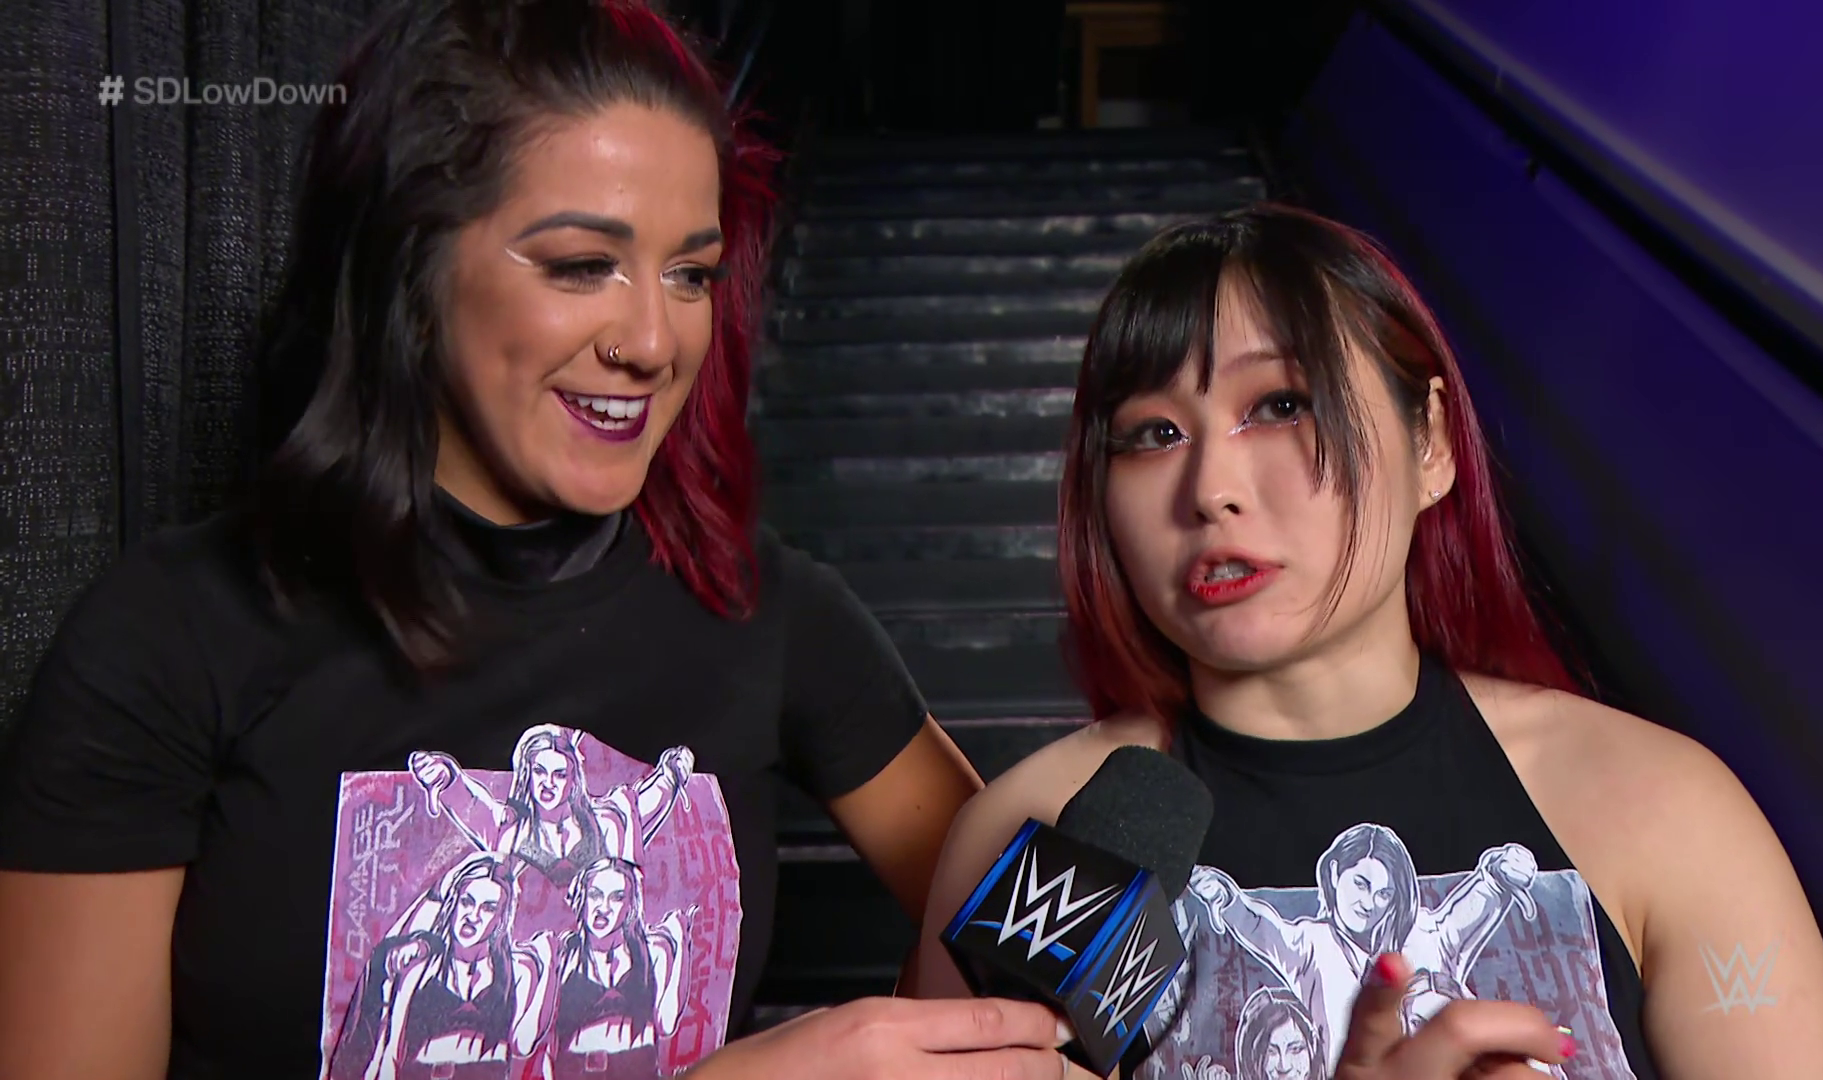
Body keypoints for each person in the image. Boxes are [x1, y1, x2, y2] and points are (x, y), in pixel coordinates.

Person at [0, 2, 1084, 1078]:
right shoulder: (169, 639)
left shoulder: (776, 617)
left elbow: (1069, 985)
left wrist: (1141, 726)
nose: (653, 341)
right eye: (580, 264)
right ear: (410, 268)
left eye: (690, 274)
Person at [911, 205, 1823, 1079]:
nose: (1209, 489)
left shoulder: (1663, 807)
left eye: (1280, 405)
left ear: (1432, 442)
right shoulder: (1029, 836)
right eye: (1153, 434)